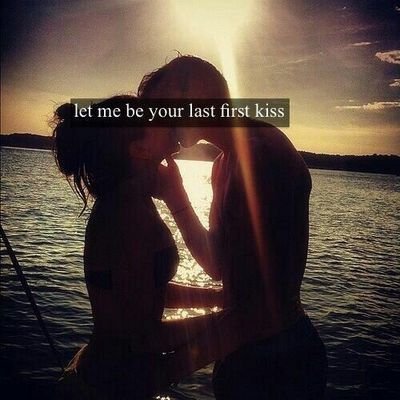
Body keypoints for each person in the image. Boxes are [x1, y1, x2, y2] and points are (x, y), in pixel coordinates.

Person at [52, 95, 271, 400]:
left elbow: (147, 290)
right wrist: (236, 322)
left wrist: (221, 298)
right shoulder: (125, 216)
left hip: (115, 381)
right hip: (106, 387)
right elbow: (142, 336)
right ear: (139, 148)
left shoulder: (134, 200)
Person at [138, 55, 328, 399]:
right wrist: (176, 196)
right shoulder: (223, 163)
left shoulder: (261, 154)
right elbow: (217, 265)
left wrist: (163, 371)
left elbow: (262, 307)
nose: (159, 122)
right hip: (243, 353)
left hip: (280, 364)